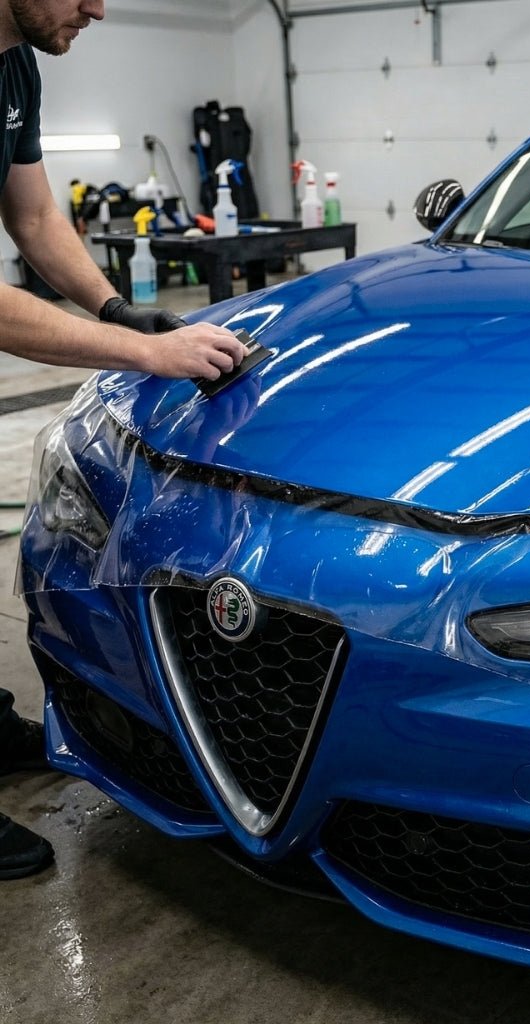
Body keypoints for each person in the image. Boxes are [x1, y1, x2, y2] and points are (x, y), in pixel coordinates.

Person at [0, 0, 247, 879]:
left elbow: (32, 221)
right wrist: (146, 349)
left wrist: (113, 305)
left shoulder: (14, 65)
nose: (98, 7)